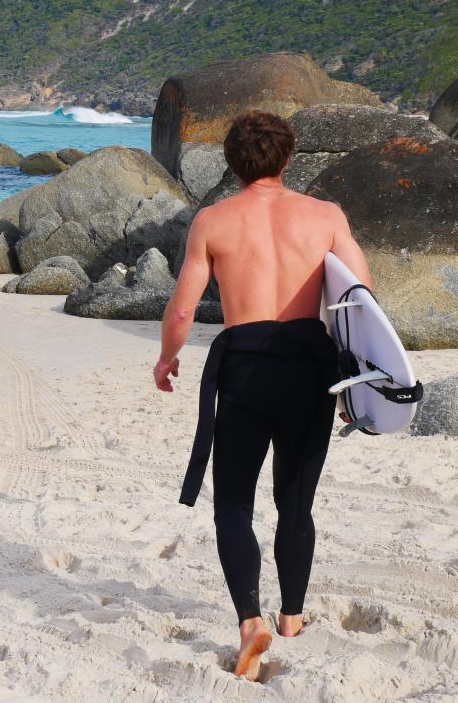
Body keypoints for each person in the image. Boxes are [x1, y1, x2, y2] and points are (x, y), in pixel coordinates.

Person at [153, 110, 372, 681]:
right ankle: (293, 618)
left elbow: (181, 309)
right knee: (295, 503)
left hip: (245, 372)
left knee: (233, 504)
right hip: (308, 370)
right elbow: (362, 300)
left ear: (231, 162)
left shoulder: (213, 220)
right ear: (289, 157)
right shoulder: (325, 216)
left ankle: (251, 621)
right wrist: (363, 379)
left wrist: (167, 357)